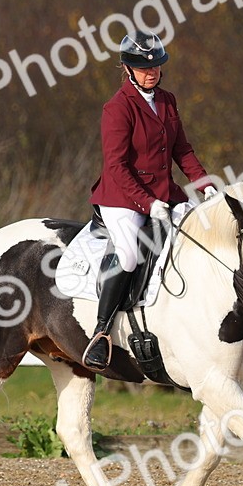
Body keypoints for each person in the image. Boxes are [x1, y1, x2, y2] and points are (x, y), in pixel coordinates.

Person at [82, 31, 218, 371]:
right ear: (127, 68)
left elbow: (182, 150)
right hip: (122, 197)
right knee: (129, 254)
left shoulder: (167, 100)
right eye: (144, 68)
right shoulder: (117, 108)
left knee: (200, 234)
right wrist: (147, 203)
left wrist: (205, 185)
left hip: (164, 193)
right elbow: (116, 166)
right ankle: (101, 333)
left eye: (155, 66)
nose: (151, 72)